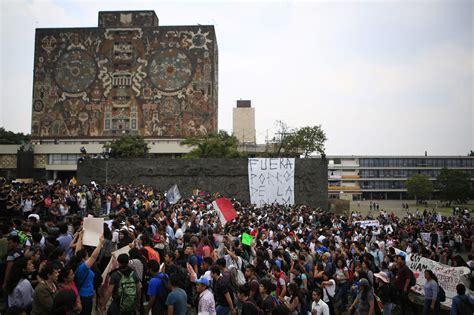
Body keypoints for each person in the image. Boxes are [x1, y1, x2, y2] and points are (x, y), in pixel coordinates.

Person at [72, 234, 104, 315]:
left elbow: (77, 250)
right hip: (85, 297)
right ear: (83, 259)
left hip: (82, 294)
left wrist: (80, 237)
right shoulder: (83, 268)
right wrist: (100, 244)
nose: (88, 257)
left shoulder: (77, 264)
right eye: (87, 256)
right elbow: (93, 257)